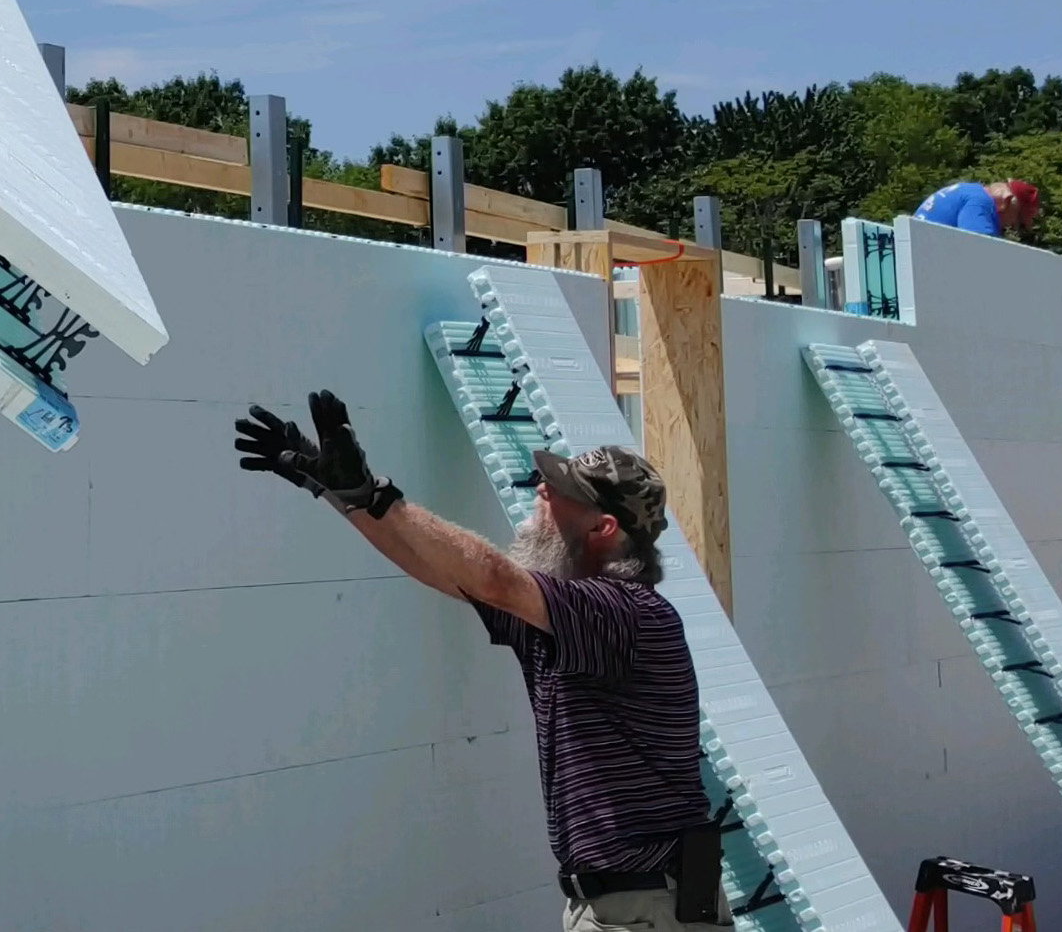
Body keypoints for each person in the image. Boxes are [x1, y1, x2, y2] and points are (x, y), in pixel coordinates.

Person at [235, 394, 717, 931]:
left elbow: (493, 578)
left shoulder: (625, 614)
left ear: (603, 529)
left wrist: (374, 493)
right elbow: (441, 571)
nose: (543, 491)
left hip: (648, 909)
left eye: (562, 493)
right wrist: (337, 491)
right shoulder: (566, 621)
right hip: (629, 907)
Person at [914, 177, 1040, 238]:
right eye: (1017, 219)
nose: (1011, 225)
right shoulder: (981, 202)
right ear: (1006, 202)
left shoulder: (970, 190)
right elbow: (980, 248)